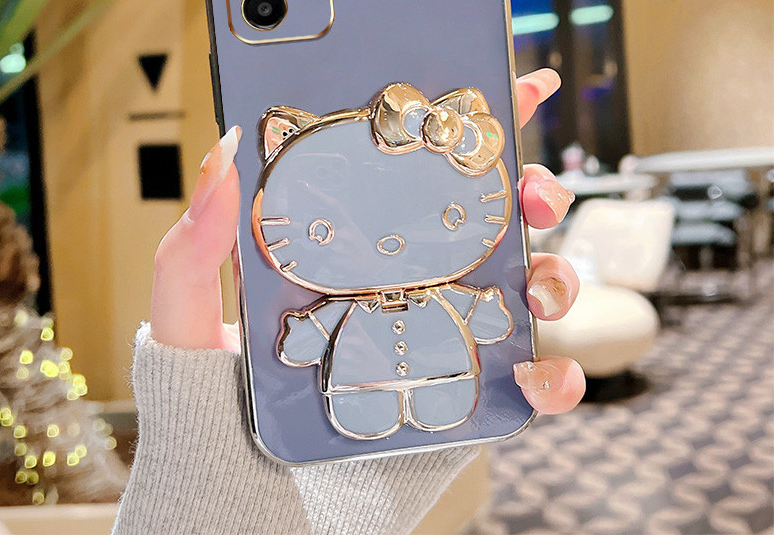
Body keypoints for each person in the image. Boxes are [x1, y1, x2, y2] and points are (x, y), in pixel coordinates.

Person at [112, 69, 584, 535]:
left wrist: (485, 312)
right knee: (369, 412)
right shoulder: (342, 303)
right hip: (357, 390)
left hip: (446, 379)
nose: (388, 239)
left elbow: (486, 320)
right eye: (324, 227)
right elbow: (308, 338)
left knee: (444, 404)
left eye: (449, 214)